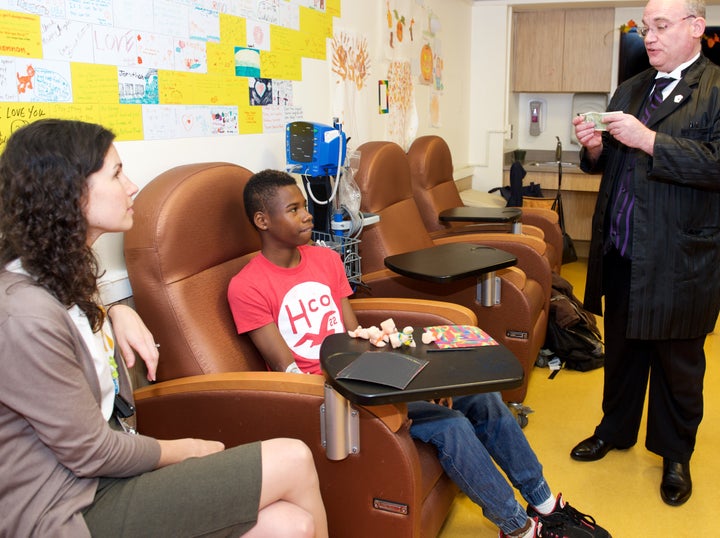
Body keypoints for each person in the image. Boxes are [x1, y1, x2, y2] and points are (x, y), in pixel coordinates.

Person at [228, 169, 612, 538]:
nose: (308, 214)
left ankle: (545, 504)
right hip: (332, 401)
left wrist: (408, 373)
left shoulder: (326, 260)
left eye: (303, 205)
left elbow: (352, 334)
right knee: (452, 426)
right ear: (263, 220)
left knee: (480, 395)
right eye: (293, 209)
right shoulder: (247, 287)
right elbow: (289, 371)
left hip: (368, 372)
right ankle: (518, 527)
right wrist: (384, 397)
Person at [0, 119, 329, 538]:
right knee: (295, 459)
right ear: (69, 191)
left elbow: (71, 327)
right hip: (67, 506)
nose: (132, 185)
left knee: (291, 525)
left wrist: (115, 312)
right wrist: (188, 450)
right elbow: (91, 452)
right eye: (117, 174)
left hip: (99, 481)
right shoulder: (23, 314)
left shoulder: (59, 277)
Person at [570, 0, 720, 507]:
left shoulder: (717, 90)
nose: (649, 37)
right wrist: (594, 148)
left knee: (678, 364)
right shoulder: (631, 89)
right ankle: (615, 429)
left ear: (696, 28)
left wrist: (651, 140)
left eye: (661, 26)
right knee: (624, 354)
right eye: (644, 28)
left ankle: (675, 455)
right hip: (622, 251)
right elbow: (610, 163)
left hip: (682, 260)